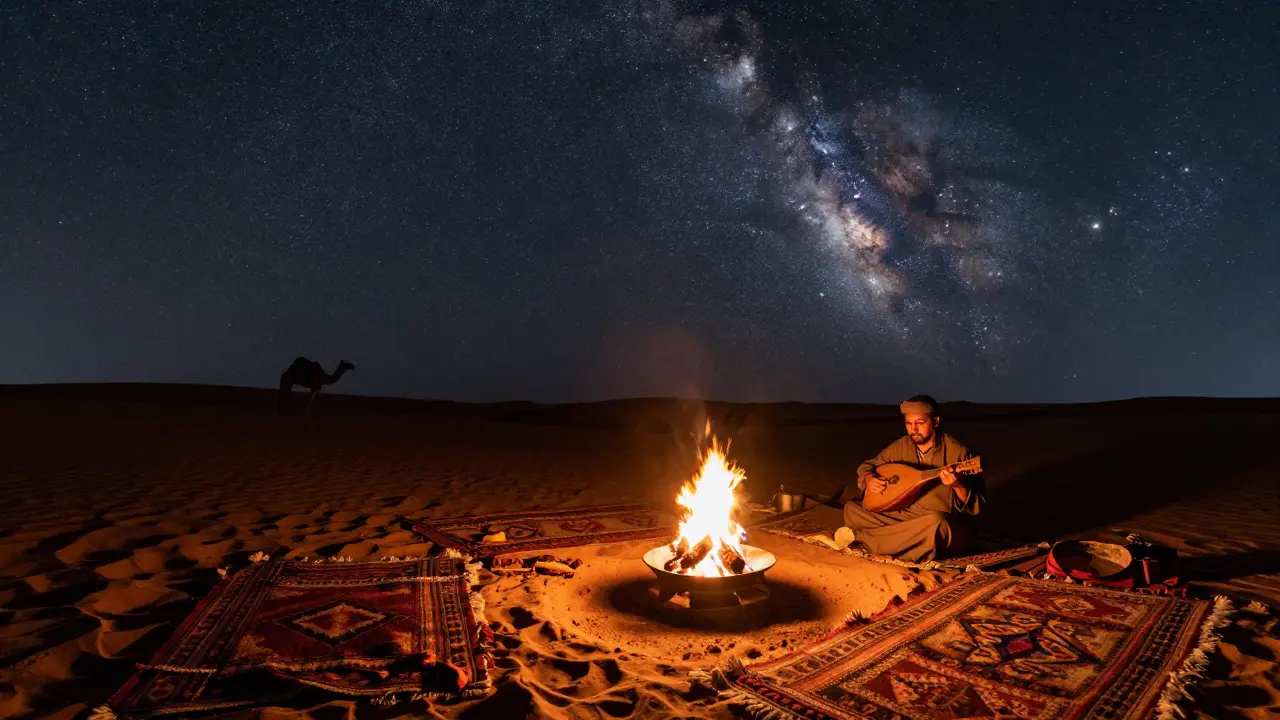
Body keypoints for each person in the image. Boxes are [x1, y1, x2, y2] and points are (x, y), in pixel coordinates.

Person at [831, 395, 984, 562]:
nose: (914, 430)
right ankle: (890, 543)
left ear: (935, 421)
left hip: (938, 522)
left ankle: (862, 541)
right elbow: (868, 466)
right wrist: (869, 478)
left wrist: (958, 485)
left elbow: (978, 507)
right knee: (852, 509)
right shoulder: (901, 446)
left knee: (935, 523)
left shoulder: (958, 452)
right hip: (903, 515)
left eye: (920, 423)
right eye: (909, 423)